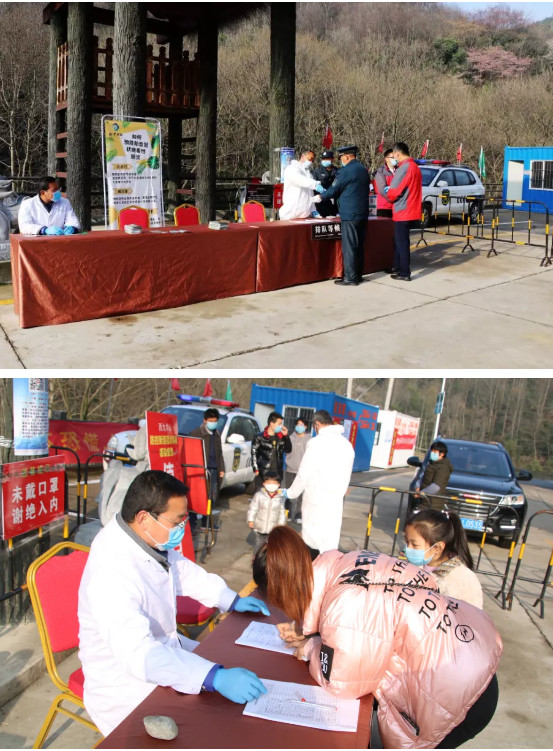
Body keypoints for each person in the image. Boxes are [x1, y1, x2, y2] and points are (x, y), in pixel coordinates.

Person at [253, 526, 502, 750]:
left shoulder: (342, 604)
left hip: (458, 697)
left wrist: (310, 648)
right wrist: (313, 634)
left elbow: (341, 680)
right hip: (468, 653)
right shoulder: (350, 560)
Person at [78, 470, 269, 736]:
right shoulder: (111, 574)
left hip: (164, 649)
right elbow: (139, 655)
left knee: (227, 672)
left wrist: (230, 599)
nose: (183, 526)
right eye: (178, 520)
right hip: (124, 685)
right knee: (203, 726)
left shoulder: (144, 539)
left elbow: (182, 571)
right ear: (144, 518)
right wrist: (212, 677)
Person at [281, 410, 354, 557]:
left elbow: (303, 474)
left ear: (317, 424)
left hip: (315, 502)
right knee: (329, 545)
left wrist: (290, 492)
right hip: (334, 503)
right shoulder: (347, 445)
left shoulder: (316, 443)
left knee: (312, 546)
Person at [404, 508, 484, 608]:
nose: (408, 548)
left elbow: (471, 614)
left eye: (414, 545)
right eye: (407, 542)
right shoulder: (411, 568)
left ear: (437, 548)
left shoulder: (463, 580)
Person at [315, 145, 370, 286]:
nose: (341, 161)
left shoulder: (345, 171)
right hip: (362, 212)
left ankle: (350, 277)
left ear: (346, 156)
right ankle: (358, 275)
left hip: (349, 213)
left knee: (350, 246)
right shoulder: (363, 169)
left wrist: (321, 197)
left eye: (341, 158)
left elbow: (335, 189)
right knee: (359, 245)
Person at [384, 142, 422, 281]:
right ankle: (400, 268)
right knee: (402, 241)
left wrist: (389, 194)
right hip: (410, 208)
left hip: (403, 210)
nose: (393, 158)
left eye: (393, 155)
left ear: (398, 153)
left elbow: (395, 190)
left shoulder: (404, 168)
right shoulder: (414, 166)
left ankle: (405, 273)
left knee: (402, 243)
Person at [190, 408, 224, 531]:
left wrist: (221, 468)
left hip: (213, 470)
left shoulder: (217, 434)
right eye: (210, 421)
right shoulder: (196, 433)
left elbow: (219, 453)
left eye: (215, 421)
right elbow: (191, 453)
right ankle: (192, 522)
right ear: (204, 420)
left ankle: (206, 522)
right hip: (200, 469)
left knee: (210, 497)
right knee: (196, 496)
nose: (213, 423)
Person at [251, 411, 292, 492]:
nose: (281, 426)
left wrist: (286, 437)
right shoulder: (259, 437)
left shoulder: (280, 437)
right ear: (271, 423)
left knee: (275, 496)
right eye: (279, 424)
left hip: (277, 473)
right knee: (261, 495)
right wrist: (256, 469)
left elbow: (288, 449)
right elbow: (254, 453)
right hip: (263, 472)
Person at [247, 470, 286, 555]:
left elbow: (281, 513)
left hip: (273, 528)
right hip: (260, 527)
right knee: (259, 545)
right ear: (264, 484)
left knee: (271, 546)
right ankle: (256, 558)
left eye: (274, 483)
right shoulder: (259, 495)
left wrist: (281, 525)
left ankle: (268, 560)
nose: (271, 485)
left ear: (279, 484)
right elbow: (253, 508)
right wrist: (251, 520)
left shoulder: (280, 498)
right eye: (269, 483)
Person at [279, 150, 322, 220]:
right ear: (303, 156)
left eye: (312, 160)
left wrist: (313, 209)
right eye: (310, 159)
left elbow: (309, 193)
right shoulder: (291, 168)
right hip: (291, 214)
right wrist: (315, 184)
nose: (311, 162)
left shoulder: (308, 173)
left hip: (304, 215)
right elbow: (299, 179)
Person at [283, 417, 312, 523]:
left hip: (303, 471)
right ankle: (288, 512)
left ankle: (299, 514)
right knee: (289, 492)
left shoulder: (309, 440)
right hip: (290, 469)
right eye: (298, 424)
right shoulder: (290, 438)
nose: (299, 426)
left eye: (302, 425)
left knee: (301, 495)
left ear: (306, 426)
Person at [414, 440, 454, 511]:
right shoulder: (431, 464)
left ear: (442, 454)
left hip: (433, 505)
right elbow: (423, 477)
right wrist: (418, 486)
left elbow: (435, 487)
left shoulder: (443, 468)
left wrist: (421, 493)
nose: (432, 453)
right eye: (432, 451)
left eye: (435, 452)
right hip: (424, 502)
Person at [311, 150, 339, 217]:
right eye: (324, 159)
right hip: (321, 203)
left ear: (332, 159)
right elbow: (313, 187)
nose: (325, 160)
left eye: (327, 158)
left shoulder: (337, 171)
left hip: (335, 204)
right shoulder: (316, 171)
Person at [372, 148, 396, 219]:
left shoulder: (399, 170)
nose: (395, 159)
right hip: (384, 206)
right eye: (392, 157)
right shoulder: (381, 172)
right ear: (386, 159)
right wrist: (394, 199)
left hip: (396, 207)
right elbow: (382, 189)